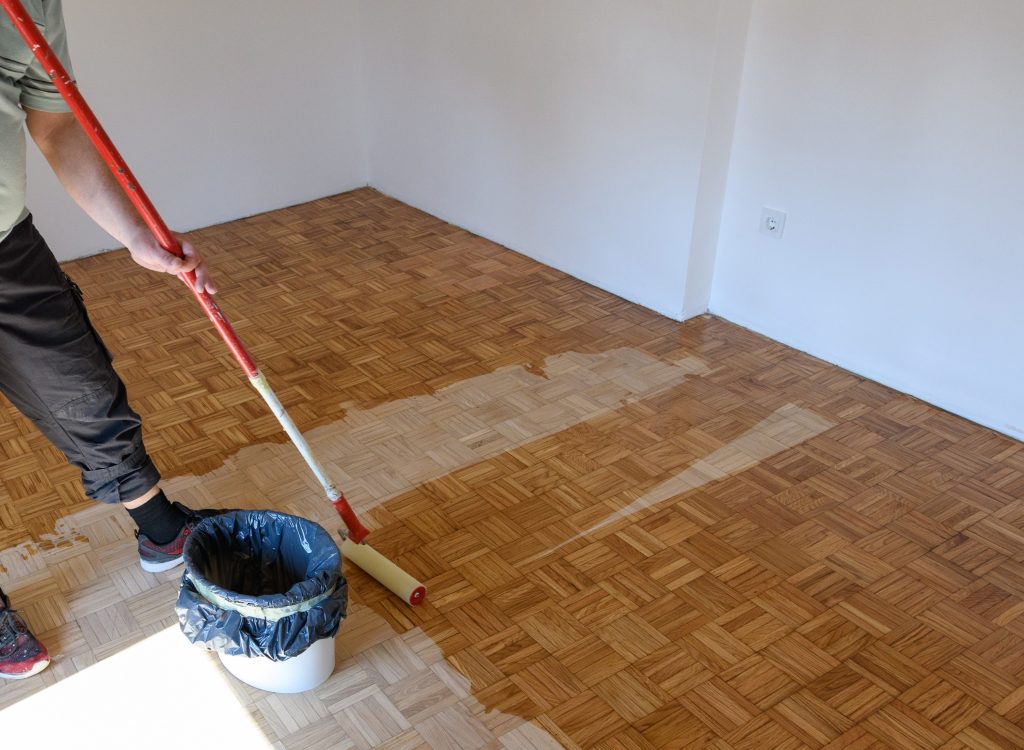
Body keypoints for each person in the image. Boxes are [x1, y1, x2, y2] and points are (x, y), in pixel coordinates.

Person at [0, 0, 220, 679]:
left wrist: (134, 238)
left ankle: (161, 532)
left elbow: (56, 123)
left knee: (84, 391)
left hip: (6, 246)